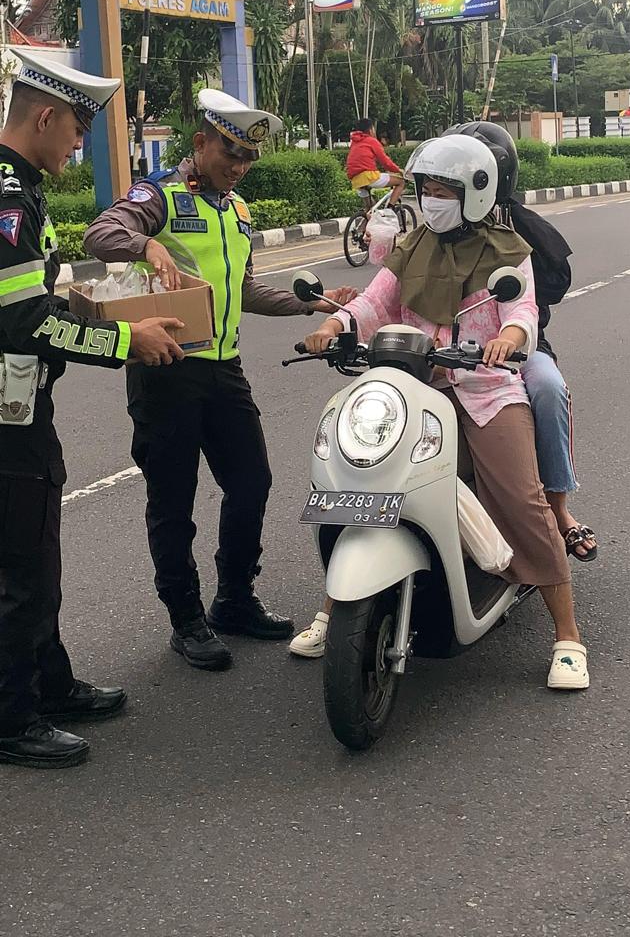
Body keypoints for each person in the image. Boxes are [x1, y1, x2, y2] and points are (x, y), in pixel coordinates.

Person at [291, 134, 590, 690]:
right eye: (426, 188)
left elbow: (521, 308)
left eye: (443, 190)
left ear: (475, 192)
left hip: (486, 388)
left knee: (522, 500)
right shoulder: (412, 245)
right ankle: (332, 611)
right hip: (415, 388)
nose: (431, 199)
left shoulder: (507, 252)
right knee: (362, 487)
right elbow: (376, 300)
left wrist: (513, 336)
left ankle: (567, 636)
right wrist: (334, 326)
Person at [85, 89, 356, 673]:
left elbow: (245, 289)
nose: (238, 166)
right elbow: (100, 235)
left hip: (224, 370)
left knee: (252, 481)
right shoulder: (159, 194)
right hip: (167, 370)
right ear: (201, 142)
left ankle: (234, 598)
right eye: (230, 152)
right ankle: (186, 620)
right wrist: (147, 241)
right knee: (173, 500)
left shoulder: (236, 211)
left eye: (248, 158)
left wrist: (311, 306)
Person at [0, 50, 184, 770]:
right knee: (23, 570)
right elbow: (21, 322)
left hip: (20, 410)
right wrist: (122, 339)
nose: (79, 142)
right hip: (8, 420)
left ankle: (48, 683)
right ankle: (13, 719)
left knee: (34, 553)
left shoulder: (18, 187)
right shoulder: (9, 197)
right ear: (45, 116)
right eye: (77, 127)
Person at [448, 121, 597, 563]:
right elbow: (392, 288)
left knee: (549, 389)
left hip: (516, 350)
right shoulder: (435, 228)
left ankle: (558, 509)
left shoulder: (518, 227)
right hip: (444, 350)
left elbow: (553, 285)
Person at [346, 118, 404, 209]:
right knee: (401, 182)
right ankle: (390, 209)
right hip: (369, 176)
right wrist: (398, 170)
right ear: (370, 130)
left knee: (370, 209)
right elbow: (385, 162)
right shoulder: (372, 141)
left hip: (355, 179)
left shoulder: (354, 142)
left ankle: (365, 220)